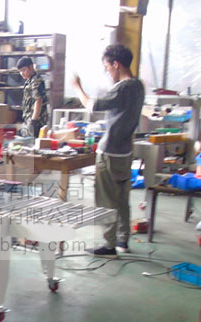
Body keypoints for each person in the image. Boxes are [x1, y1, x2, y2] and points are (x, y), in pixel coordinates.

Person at [72, 44, 145, 257]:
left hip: (110, 152)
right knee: (122, 199)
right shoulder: (138, 86)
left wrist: (77, 87)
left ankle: (109, 244)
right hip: (125, 152)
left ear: (116, 64)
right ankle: (122, 240)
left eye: (107, 67)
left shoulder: (123, 88)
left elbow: (92, 105)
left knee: (105, 200)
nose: (107, 72)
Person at [17, 56, 49, 138]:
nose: (22, 73)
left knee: (33, 141)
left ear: (31, 67)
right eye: (20, 71)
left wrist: (34, 121)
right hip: (29, 118)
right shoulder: (29, 80)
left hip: (37, 120)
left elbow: (38, 100)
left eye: (24, 70)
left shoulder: (36, 81)